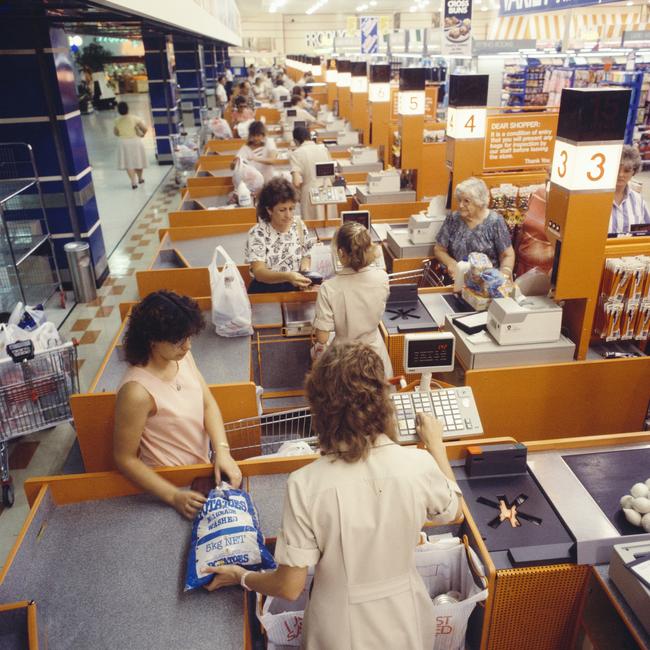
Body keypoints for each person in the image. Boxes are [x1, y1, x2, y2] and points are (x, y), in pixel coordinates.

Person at [203, 341, 462, 650]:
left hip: (338, 628)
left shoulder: (305, 484)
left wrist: (242, 576)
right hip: (406, 618)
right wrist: (436, 447)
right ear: (383, 400)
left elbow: (288, 586)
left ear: (320, 408)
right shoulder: (418, 466)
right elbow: (454, 511)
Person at [113, 290, 242, 520]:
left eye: (189, 337)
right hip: (169, 482)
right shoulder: (136, 391)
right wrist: (173, 496)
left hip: (200, 471)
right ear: (152, 339)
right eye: (178, 341)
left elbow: (208, 404)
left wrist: (222, 451)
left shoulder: (181, 357)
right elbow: (124, 458)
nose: (188, 346)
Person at [312, 222, 393, 376]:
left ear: (341, 253)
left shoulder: (328, 288)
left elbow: (322, 337)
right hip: (375, 353)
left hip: (343, 359)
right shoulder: (382, 277)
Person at [434, 177, 515, 280]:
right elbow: (439, 249)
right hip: (456, 280)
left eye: (466, 201)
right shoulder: (453, 219)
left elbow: (507, 255)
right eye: (459, 200)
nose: (460, 205)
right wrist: (451, 263)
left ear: (479, 202)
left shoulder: (495, 221)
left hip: (486, 283)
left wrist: (504, 275)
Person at [244, 177, 314, 293]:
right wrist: (288, 276)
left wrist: (304, 272)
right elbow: (259, 272)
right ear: (269, 210)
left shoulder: (299, 225)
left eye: (291, 209)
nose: (288, 215)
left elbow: (306, 255)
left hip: (294, 287)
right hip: (266, 291)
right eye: (282, 210)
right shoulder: (257, 233)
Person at [289, 125, 335, 220]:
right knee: (330, 225)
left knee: (312, 228)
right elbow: (332, 175)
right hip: (329, 193)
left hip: (310, 195)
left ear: (296, 141)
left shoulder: (296, 154)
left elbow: (296, 182)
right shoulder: (324, 149)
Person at [609, 144, 650, 235]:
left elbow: (646, 232)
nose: (621, 174)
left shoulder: (638, 200)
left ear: (634, 172)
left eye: (626, 170)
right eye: (617, 169)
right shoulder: (596, 198)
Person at [114, 101, 148, 190]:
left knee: (129, 163)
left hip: (123, 143)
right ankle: (140, 178)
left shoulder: (117, 121)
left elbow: (116, 133)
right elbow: (145, 128)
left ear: (119, 111)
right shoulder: (135, 118)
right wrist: (142, 134)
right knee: (138, 160)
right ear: (128, 109)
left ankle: (133, 182)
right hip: (135, 141)